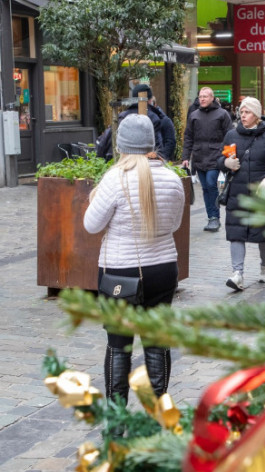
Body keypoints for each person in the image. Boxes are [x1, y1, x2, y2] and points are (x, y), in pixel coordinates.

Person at [83, 114, 185, 405]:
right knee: (156, 343)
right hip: (163, 269)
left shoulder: (115, 178)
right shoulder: (172, 179)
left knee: (118, 346)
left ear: (121, 145)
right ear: (152, 143)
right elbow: (175, 225)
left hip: (120, 273)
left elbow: (91, 225)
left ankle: (116, 423)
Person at [217, 97, 265, 291]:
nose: (242, 115)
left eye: (247, 112)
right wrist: (226, 163)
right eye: (241, 112)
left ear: (256, 115)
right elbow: (221, 158)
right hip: (237, 193)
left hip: (262, 195)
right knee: (236, 233)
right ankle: (237, 274)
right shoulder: (231, 135)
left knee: (263, 233)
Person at [181, 87, 232, 233]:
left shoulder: (223, 114)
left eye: (205, 96)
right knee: (205, 188)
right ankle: (211, 218)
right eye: (200, 96)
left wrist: (228, 156)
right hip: (198, 157)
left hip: (216, 156)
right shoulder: (194, 115)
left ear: (212, 97)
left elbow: (229, 136)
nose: (202, 99)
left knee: (211, 184)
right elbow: (188, 137)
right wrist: (186, 157)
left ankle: (215, 217)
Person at [118, 84, 164, 154]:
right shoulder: (153, 118)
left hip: (125, 159)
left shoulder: (122, 117)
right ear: (150, 100)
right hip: (146, 161)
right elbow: (158, 148)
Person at [150, 96, 177, 161]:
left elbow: (170, 141)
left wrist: (162, 157)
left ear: (155, 105)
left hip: (160, 158)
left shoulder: (165, 120)